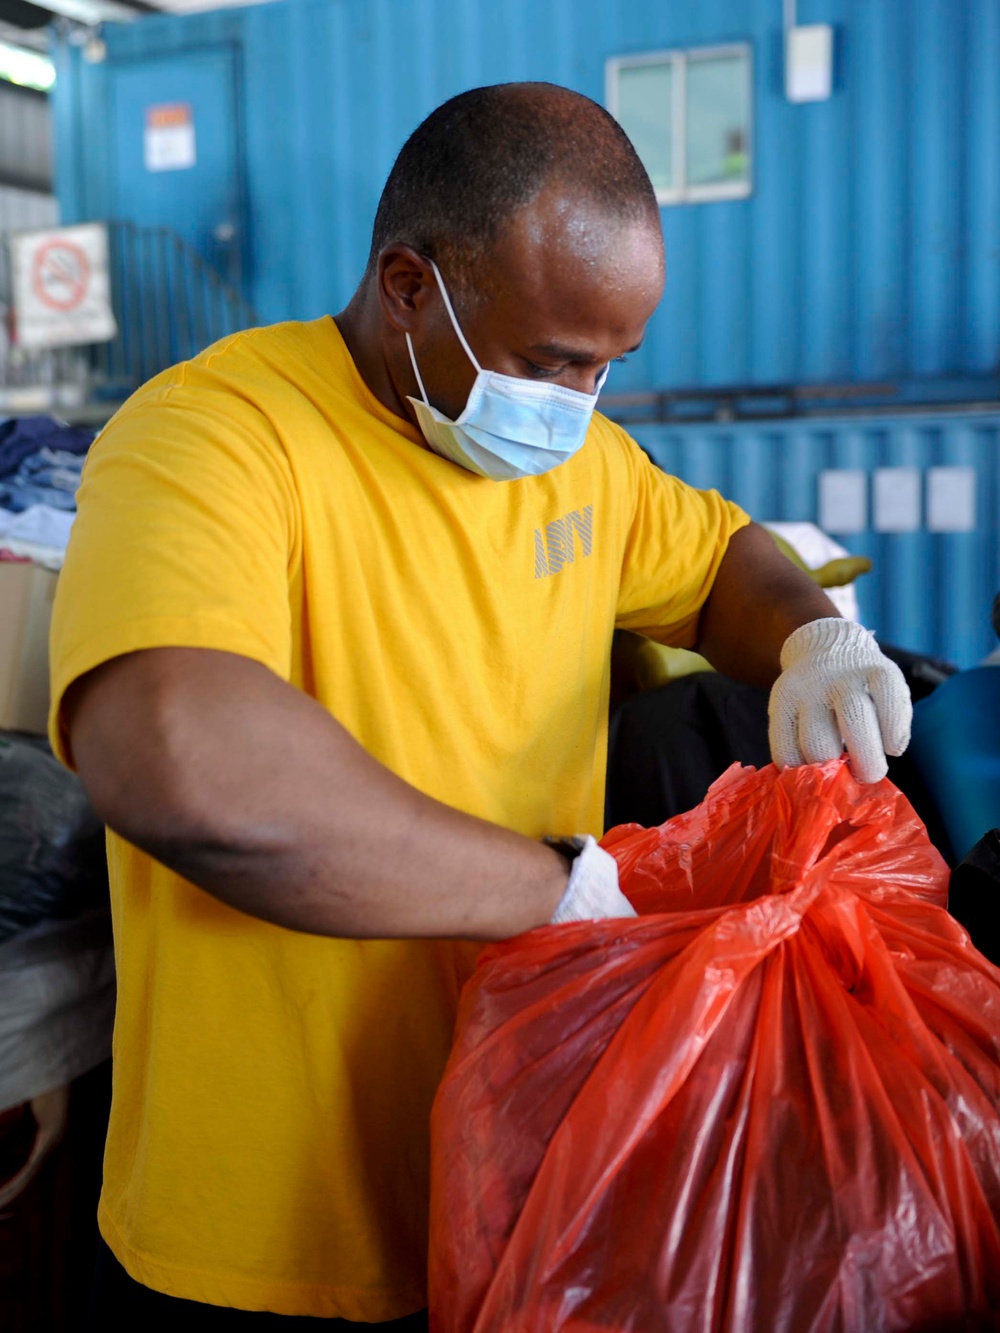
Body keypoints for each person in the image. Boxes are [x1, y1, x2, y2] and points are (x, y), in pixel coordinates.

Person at [49, 83, 912, 1326]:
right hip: (266, 1235)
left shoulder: (586, 465)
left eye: (611, 365)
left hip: (515, 1189)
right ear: (409, 283)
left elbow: (724, 557)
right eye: (553, 361)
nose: (578, 403)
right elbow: (185, 764)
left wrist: (813, 640)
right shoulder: (212, 440)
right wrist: (557, 890)